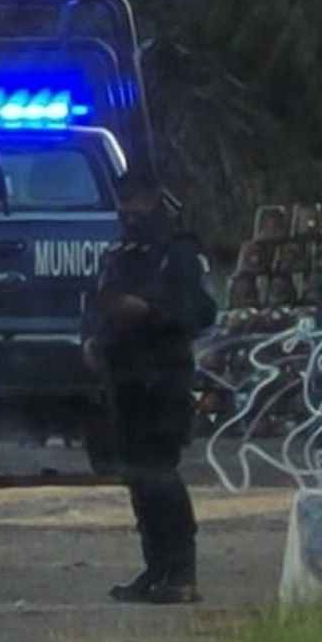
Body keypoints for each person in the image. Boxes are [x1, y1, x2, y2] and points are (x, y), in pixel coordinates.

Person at [82, 171, 218, 605]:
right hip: (122, 380)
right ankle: (156, 567)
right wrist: (91, 338)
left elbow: (199, 312)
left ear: (157, 200)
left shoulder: (178, 253)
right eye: (122, 201)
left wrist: (148, 311)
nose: (128, 210)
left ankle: (181, 572)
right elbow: (98, 302)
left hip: (163, 378)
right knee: (136, 476)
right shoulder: (121, 252)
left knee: (160, 474)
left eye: (136, 200)